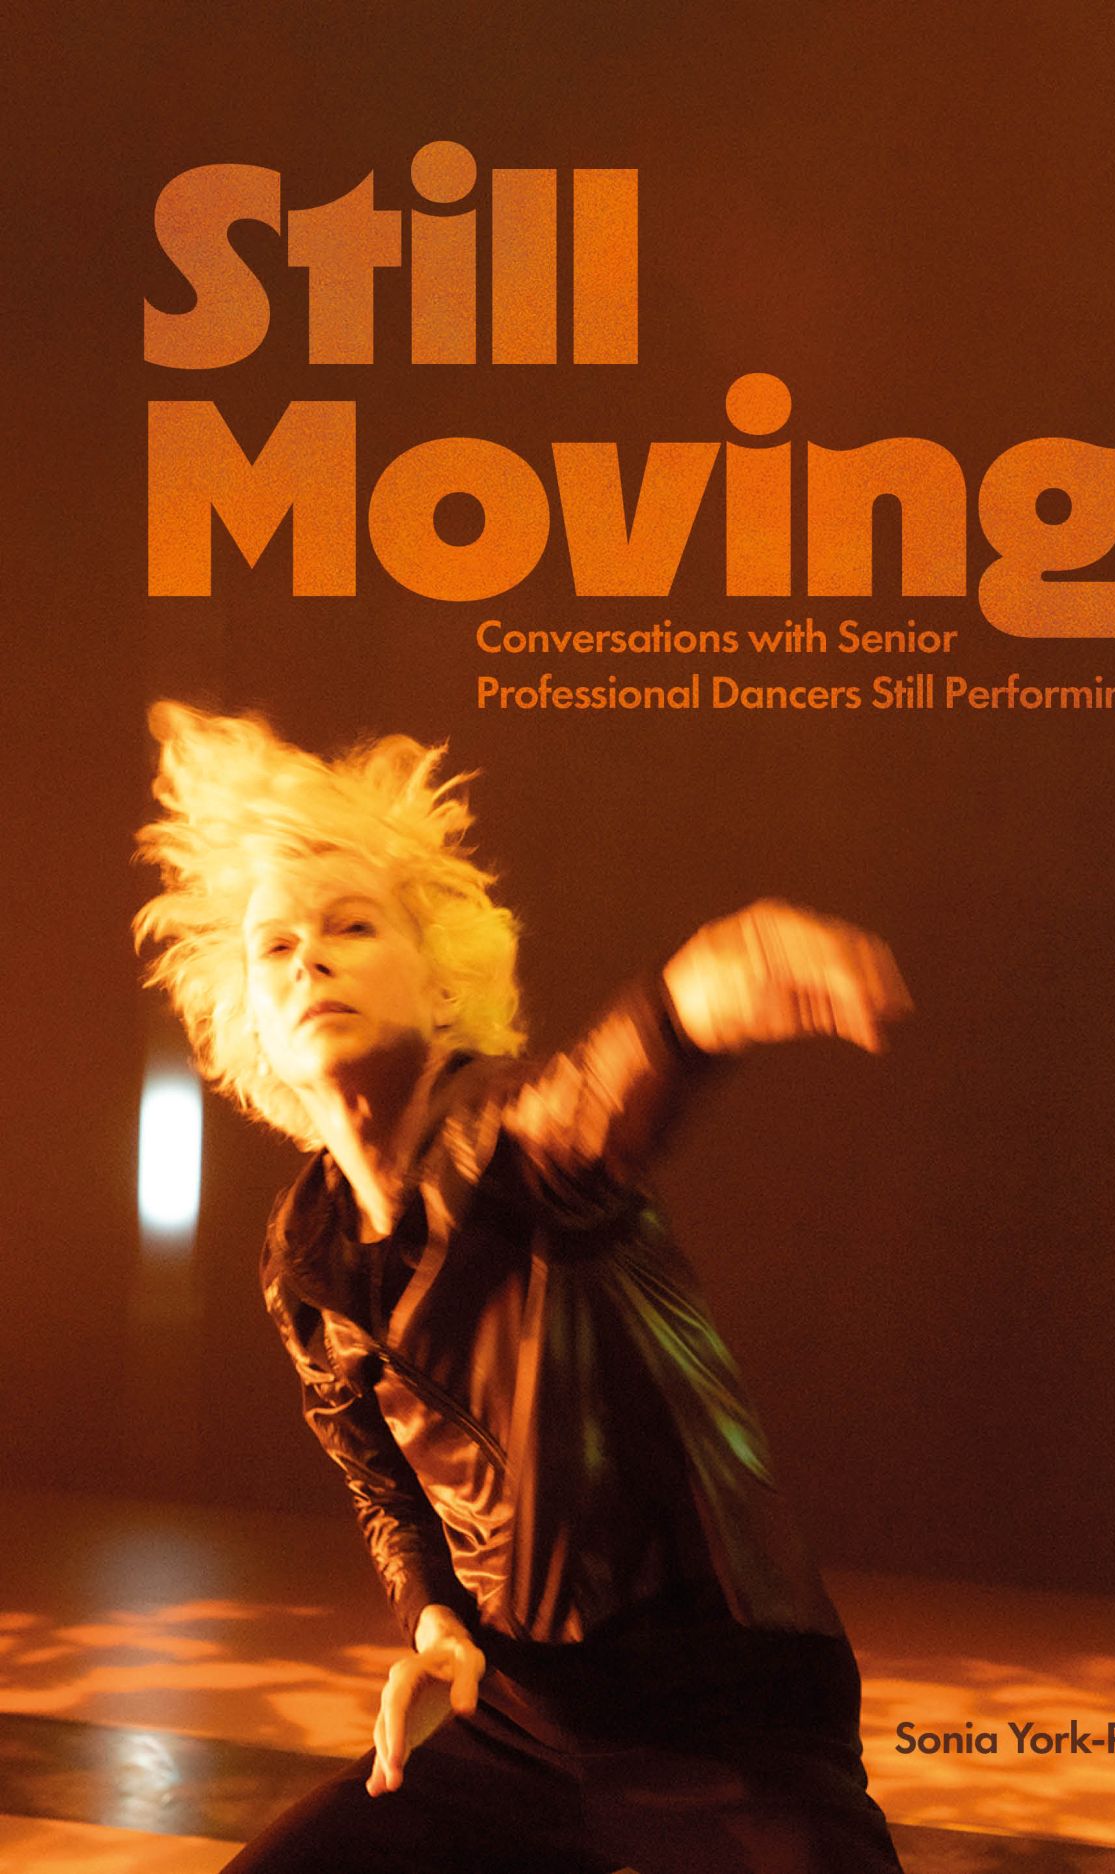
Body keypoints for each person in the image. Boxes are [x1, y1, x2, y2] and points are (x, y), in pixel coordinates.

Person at [135, 701, 911, 1873]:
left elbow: (592, 1103)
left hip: (726, 1713)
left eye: (351, 924)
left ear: (441, 978)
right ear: (248, 1013)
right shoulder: (306, 1252)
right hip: (523, 1722)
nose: (310, 959)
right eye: (275, 947)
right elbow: (385, 1490)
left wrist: (690, 1004)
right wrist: (435, 1623)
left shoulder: (507, 1139)